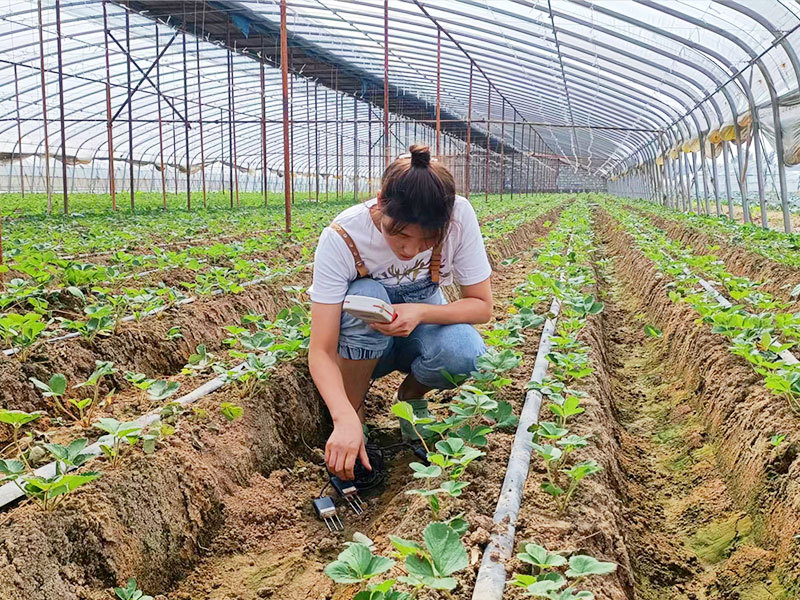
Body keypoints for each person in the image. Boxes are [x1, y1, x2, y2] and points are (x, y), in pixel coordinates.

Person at [308, 144, 493, 485]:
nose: (410, 249)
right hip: (358, 349)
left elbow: (482, 305)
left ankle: (410, 398)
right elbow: (320, 349)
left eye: (427, 241)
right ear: (380, 202)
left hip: (417, 333)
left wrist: (421, 312)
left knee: (467, 354)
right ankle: (355, 415)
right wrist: (343, 417)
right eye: (402, 234)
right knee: (366, 294)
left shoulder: (459, 216)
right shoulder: (342, 237)